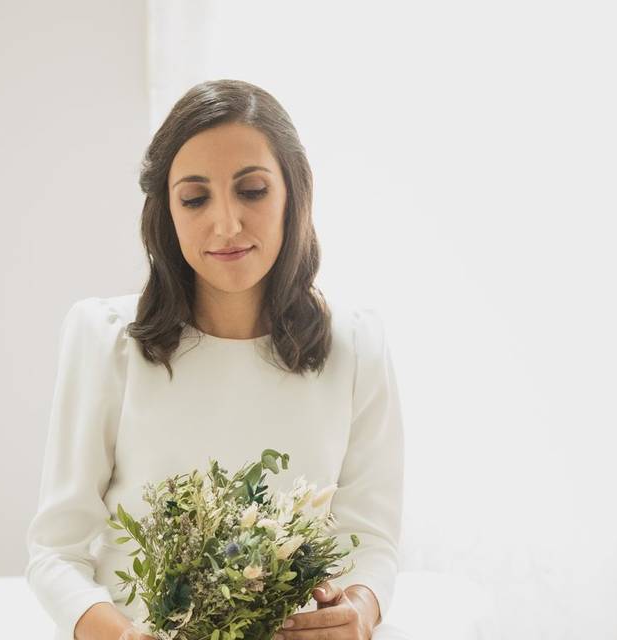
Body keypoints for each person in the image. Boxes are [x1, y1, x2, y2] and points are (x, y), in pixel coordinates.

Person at [25, 79, 411, 640]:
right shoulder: (107, 338)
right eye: (195, 197)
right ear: (167, 212)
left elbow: (374, 539)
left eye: (252, 191)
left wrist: (360, 610)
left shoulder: (355, 343)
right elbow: (55, 551)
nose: (227, 224)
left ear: (292, 195)